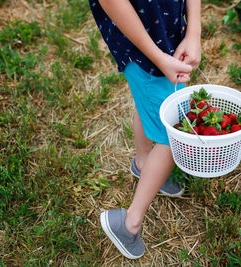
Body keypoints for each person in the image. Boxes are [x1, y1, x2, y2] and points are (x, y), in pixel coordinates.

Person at [88, 0, 201, 259]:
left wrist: (193, 31)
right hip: (140, 42)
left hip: (168, 32)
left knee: (149, 102)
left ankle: (143, 162)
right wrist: (158, 57)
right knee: (174, 133)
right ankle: (129, 223)